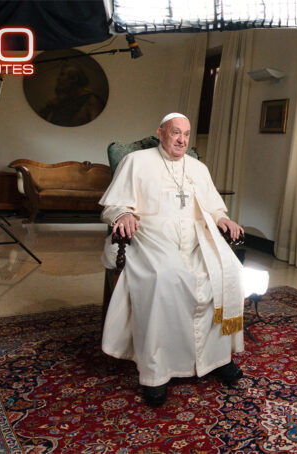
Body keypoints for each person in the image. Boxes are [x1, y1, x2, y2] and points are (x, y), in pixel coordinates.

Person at [100, 113, 246, 407]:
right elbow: (113, 205)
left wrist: (224, 220)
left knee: (225, 271)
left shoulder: (198, 168)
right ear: (161, 133)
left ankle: (217, 358)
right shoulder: (136, 162)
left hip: (196, 239)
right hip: (151, 236)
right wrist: (124, 214)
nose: (181, 140)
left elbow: (214, 206)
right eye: (175, 133)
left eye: (186, 134)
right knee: (167, 278)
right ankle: (157, 372)